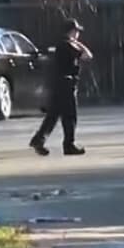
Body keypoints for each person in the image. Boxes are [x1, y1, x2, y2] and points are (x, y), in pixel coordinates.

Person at [30, 19, 92, 156]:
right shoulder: (68, 44)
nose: (78, 34)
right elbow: (88, 56)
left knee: (53, 115)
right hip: (66, 85)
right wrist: (78, 43)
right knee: (70, 116)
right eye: (76, 31)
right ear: (71, 31)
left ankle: (38, 140)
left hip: (57, 84)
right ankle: (69, 145)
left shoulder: (59, 44)